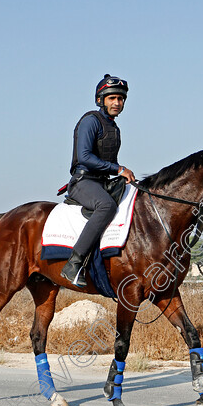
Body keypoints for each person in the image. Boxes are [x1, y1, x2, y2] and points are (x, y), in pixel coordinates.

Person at [61, 74, 136, 287]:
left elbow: (110, 163)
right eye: (112, 98)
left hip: (102, 182)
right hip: (83, 182)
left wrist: (125, 176)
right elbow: (84, 157)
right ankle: (73, 264)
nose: (117, 103)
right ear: (100, 100)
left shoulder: (114, 128)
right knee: (106, 205)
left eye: (120, 99)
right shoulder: (90, 121)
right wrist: (119, 169)